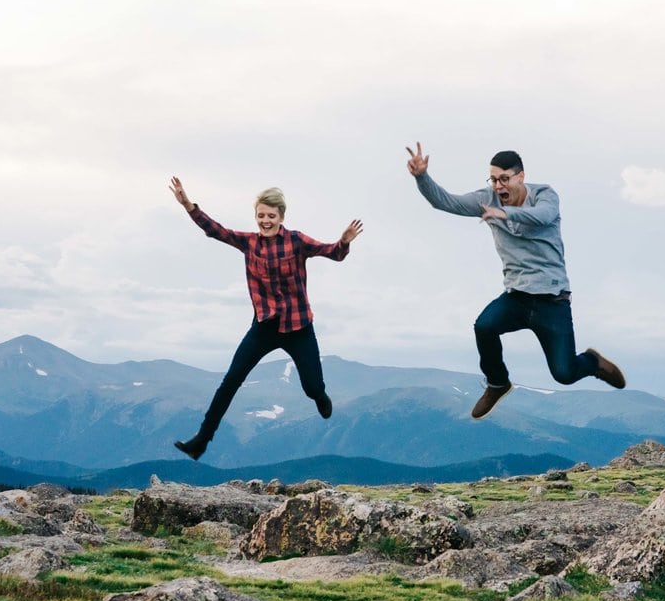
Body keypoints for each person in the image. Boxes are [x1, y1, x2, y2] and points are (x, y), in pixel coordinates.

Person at [404, 142, 625, 419]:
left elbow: (541, 217)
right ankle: (497, 383)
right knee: (484, 326)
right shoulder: (487, 198)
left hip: (552, 301)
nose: (498, 186)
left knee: (564, 374)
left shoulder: (545, 196)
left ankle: (593, 363)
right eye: (494, 179)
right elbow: (445, 201)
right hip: (517, 297)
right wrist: (422, 178)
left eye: (504, 179)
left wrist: (504, 213)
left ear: (520, 177)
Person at [168, 176, 363, 460]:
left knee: (312, 387)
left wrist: (343, 242)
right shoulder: (248, 243)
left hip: (298, 327)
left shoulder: (296, 241)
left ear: (281, 217)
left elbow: (330, 252)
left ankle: (320, 396)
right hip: (264, 326)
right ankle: (201, 441)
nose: (266, 220)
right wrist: (188, 204)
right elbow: (215, 231)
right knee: (231, 380)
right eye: (261, 215)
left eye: (271, 216)